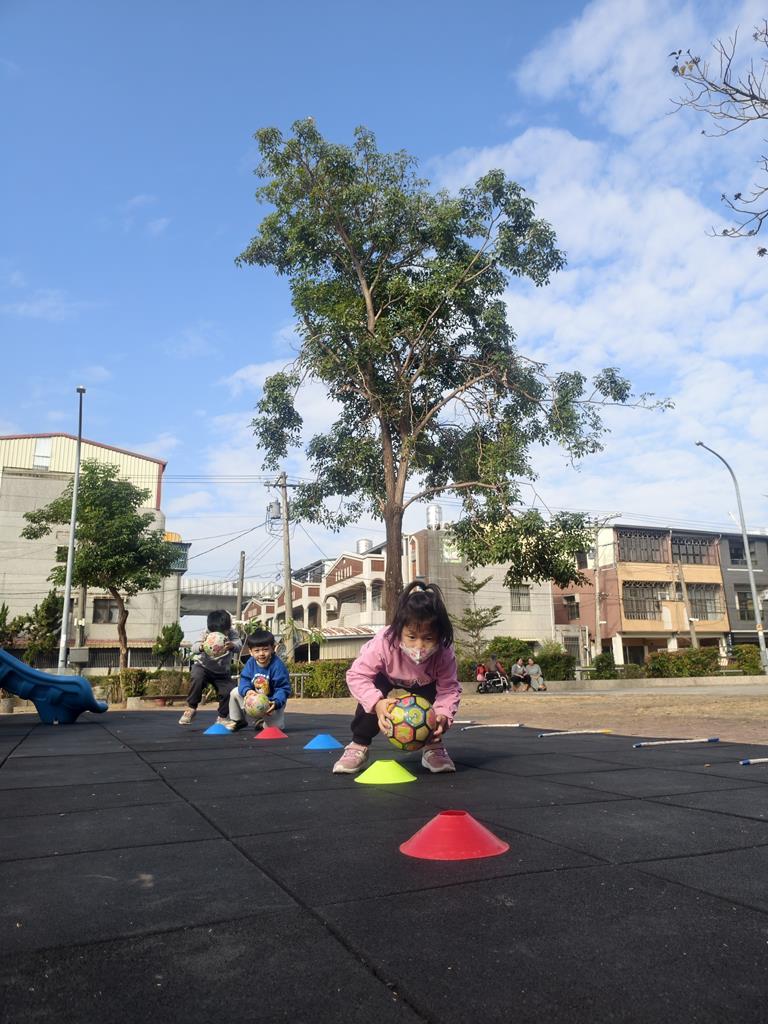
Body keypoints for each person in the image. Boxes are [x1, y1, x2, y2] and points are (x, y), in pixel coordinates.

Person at [332, 581, 461, 775]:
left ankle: (433, 746)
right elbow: (357, 675)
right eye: (412, 637)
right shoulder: (384, 642)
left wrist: (443, 714)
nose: (419, 647)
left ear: (440, 635)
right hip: (386, 675)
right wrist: (377, 703)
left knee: (434, 709)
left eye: (428, 638)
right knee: (370, 701)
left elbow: (449, 688)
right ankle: (358, 744)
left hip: (426, 681)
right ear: (399, 630)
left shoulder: (444, 652)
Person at [178, 610, 242, 725]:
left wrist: (232, 645)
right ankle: (191, 708)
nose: (218, 635)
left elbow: (239, 645)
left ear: (228, 629)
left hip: (222, 672)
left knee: (229, 691)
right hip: (204, 667)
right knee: (196, 676)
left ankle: (222, 716)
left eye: (222, 632)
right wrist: (201, 647)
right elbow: (194, 647)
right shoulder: (206, 633)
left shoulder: (232, 633)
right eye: (214, 632)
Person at [226, 628, 291, 731]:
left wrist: (276, 702)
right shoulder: (250, 663)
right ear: (250, 652)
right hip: (254, 701)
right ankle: (237, 720)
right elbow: (244, 680)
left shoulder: (277, 666)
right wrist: (248, 691)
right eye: (257, 650)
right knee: (235, 692)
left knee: (275, 729)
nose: (261, 653)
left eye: (265, 649)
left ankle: (262, 722)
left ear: (273, 648)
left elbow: (282, 688)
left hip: (271, 704)